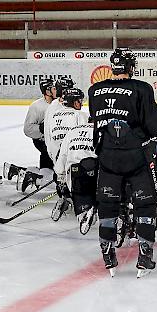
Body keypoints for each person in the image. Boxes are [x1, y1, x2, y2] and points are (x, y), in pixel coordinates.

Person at [88, 47, 157, 277]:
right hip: (136, 157)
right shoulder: (141, 88)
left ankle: (108, 253)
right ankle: (144, 254)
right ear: (131, 67)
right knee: (146, 204)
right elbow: (154, 127)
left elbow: (96, 120)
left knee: (108, 205)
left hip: (108, 156)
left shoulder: (95, 90)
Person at [44, 88, 90, 216]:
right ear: (75, 102)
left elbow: (48, 139)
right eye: (80, 100)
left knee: (63, 178)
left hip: (56, 159)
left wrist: (55, 161)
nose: (81, 103)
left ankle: (64, 196)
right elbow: (84, 140)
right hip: (74, 163)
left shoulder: (53, 115)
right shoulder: (80, 115)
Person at [53, 116, 97, 232]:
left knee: (81, 208)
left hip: (75, 176)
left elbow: (62, 157)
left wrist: (60, 178)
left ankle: (69, 202)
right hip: (94, 175)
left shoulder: (72, 131)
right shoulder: (101, 131)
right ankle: (94, 207)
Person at [23, 79, 57, 174]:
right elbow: (27, 129)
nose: (56, 90)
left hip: (55, 139)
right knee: (47, 153)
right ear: (47, 91)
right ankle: (43, 174)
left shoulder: (59, 103)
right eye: (53, 88)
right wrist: (42, 129)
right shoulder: (36, 106)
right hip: (41, 140)